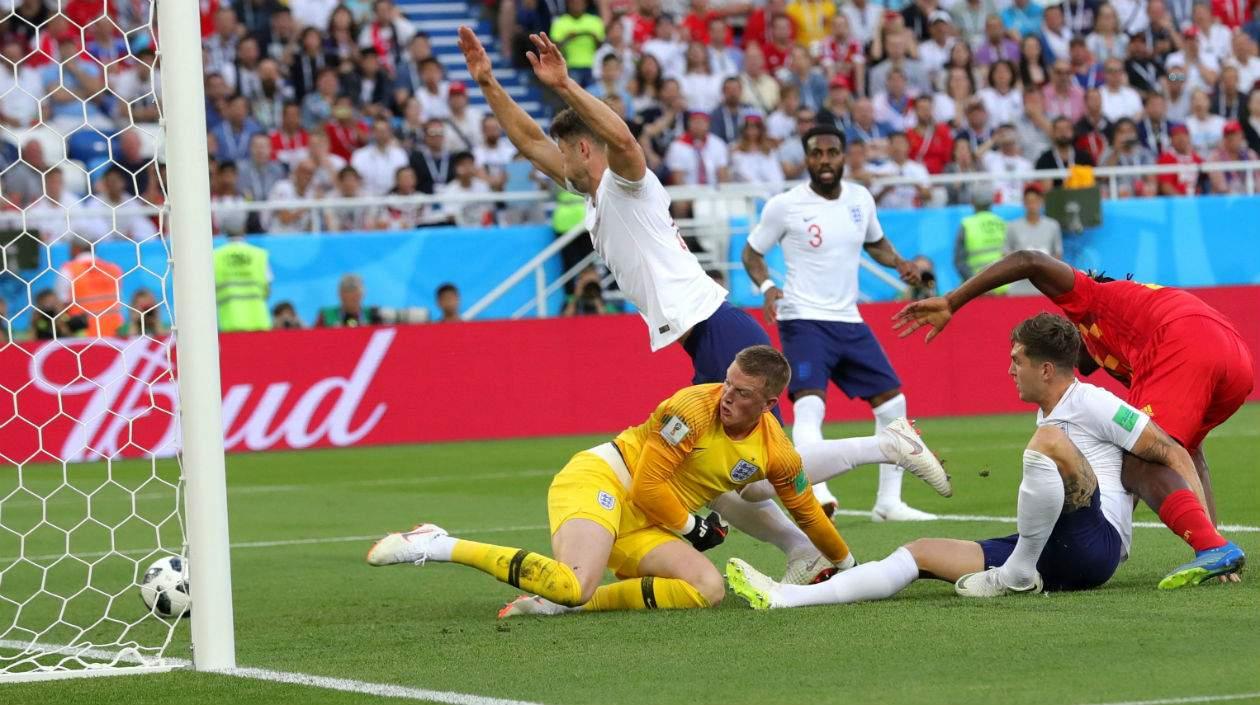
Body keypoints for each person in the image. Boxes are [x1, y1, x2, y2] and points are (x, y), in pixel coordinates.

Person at [458, 26, 846, 583]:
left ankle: (885, 447)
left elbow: (625, 142)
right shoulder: (592, 197)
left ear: (584, 148)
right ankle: (802, 550)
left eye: (566, 148)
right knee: (707, 473)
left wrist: (565, 85)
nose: (555, 158)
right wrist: (489, 83)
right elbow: (529, 142)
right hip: (702, 333)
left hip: (716, 326)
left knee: (760, 472)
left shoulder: (626, 185)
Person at [367, 346, 949, 616]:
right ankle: (436, 543)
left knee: (708, 591)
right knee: (573, 581)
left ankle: (567, 608)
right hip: (603, 481)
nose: (727, 396)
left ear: (771, 403)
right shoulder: (691, 408)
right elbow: (647, 487)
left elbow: (806, 512)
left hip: (646, 518)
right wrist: (692, 524)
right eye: (727, 383)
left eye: (743, 393)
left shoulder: (776, 449)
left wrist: (845, 564)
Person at [725, 313, 1216, 608]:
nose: (1009, 368)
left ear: (1046, 369)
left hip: (1096, 545)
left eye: (1017, 359)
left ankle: (1017, 574)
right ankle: (790, 597)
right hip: (1056, 555)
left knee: (1047, 442)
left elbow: (1171, 449)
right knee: (918, 552)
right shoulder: (1054, 413)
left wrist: (1208, 544)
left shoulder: (1091, 402)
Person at [893, 252, 1249, 588]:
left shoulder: (1088, 296)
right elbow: (1189, 455)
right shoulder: (1130, 346)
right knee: (1172, 448)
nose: (1079, 365)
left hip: (1183, 340)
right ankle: (1215, 551)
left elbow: (1028, 260)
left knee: (1139, 460)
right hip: (1236, 360)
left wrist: (952, 301)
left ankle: (1209, 547)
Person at [741, 125, 936, 522]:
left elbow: (875, 242)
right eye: (816, 154)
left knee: (894, 403)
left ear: (844, 156)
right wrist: (766, 286)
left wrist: (899, 262)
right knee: (810, 405)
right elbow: (751, 252)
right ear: (807, 158)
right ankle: (818, 488)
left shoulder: (860, 198)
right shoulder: (785, 205)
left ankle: (888, 503)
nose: (825, 160)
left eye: (832, 153)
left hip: (848, 318)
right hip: (803, 318)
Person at [56, 238, 124, 338]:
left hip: (82, 335)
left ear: (76, 248)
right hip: (115, 333)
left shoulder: (68, 270)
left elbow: (61, 305)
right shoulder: (113, 269)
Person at [1004, 185, 1062, 295]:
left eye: (1035, 200)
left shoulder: (1052, 225)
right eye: (1029, 201)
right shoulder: (1013, 226)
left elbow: (1058, 253)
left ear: (1041, 201)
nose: (1032, 205)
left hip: (1046, 287)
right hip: (1018, 288)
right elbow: (1006, 252)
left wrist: (1044, 266)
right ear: (1024, 203)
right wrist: (1022, 263)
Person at [213, 232, 272, 333]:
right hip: (258, 320)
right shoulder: (259, 254)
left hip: (230, 321)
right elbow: (268, 284)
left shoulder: (216, 255)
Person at [953, 188, 1008, 285]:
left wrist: (976, 285)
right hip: (1003, 286)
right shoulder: (1002, 223)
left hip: (978, 288)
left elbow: (959, 262)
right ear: (991, 203)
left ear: (973, 203)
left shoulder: (967, 225)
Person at [318, 273, 385, 327]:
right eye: (346, 290)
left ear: (363, 293)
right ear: (339, 293)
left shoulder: (374, 315)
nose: (350, 295)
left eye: (354, 290)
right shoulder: (326, 315)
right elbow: (314, 338)